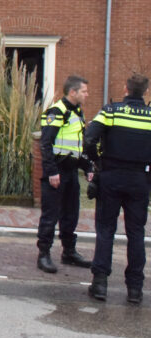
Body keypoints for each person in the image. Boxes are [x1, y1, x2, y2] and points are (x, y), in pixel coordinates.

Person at [84, 73, 151, 304]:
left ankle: (100, 284)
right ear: (145, 92)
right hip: (140, 180)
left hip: (111, 176)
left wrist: (98, 162)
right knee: (136, 233)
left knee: (105, 230)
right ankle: (135, 290)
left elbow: (89, 139)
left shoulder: (111, 111)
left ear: (126, 89)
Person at [36, 75, 94, 273]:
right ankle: (43, 254)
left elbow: (80, 144)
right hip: (57, 171)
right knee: (50, 215)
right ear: (73, 92)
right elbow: (46, 144)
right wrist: (51, 172)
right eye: (84, 91)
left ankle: (69, 252)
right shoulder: (56, 112)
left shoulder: (77, 113)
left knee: (71, 214)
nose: (87, 95)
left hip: (71, 172)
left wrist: (88, 168)